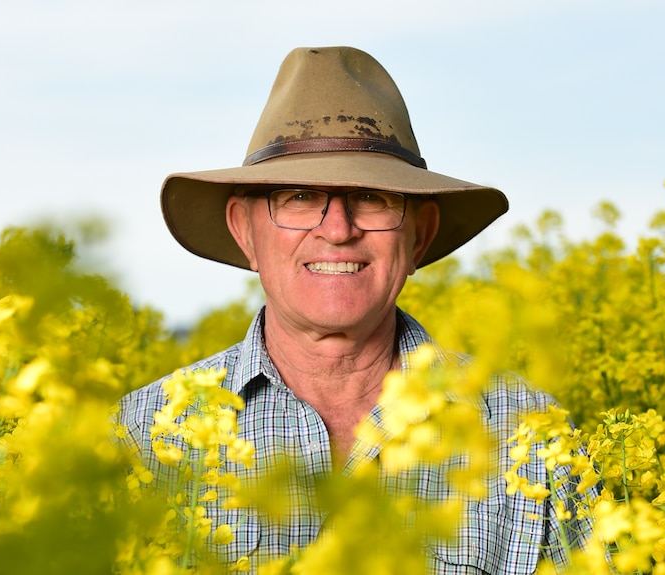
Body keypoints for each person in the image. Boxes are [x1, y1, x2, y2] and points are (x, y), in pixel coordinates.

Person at [118, 46, 595, 574]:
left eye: (371, 197)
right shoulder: (146, 433)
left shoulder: (529, 434)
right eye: (299, 196)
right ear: (244, 230)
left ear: (421, 235)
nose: (339, 230)